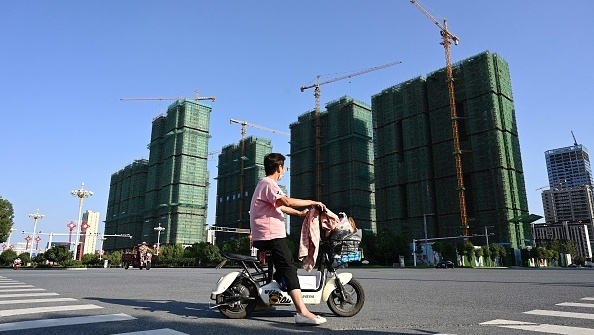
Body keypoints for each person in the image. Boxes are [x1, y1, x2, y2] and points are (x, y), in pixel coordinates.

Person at [250, 153, 327, 326]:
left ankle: (261, 302)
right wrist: (312, 202)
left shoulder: (266, 185)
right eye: (284, 167)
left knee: (283, 267)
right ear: (279, 168)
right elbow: (287, 201)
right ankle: (302, 312)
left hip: (267, 234)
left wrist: (300, 214)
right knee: (289, 268)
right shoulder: (269, 184)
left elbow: (281, 206)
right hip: (270, 235)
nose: (284, 170)